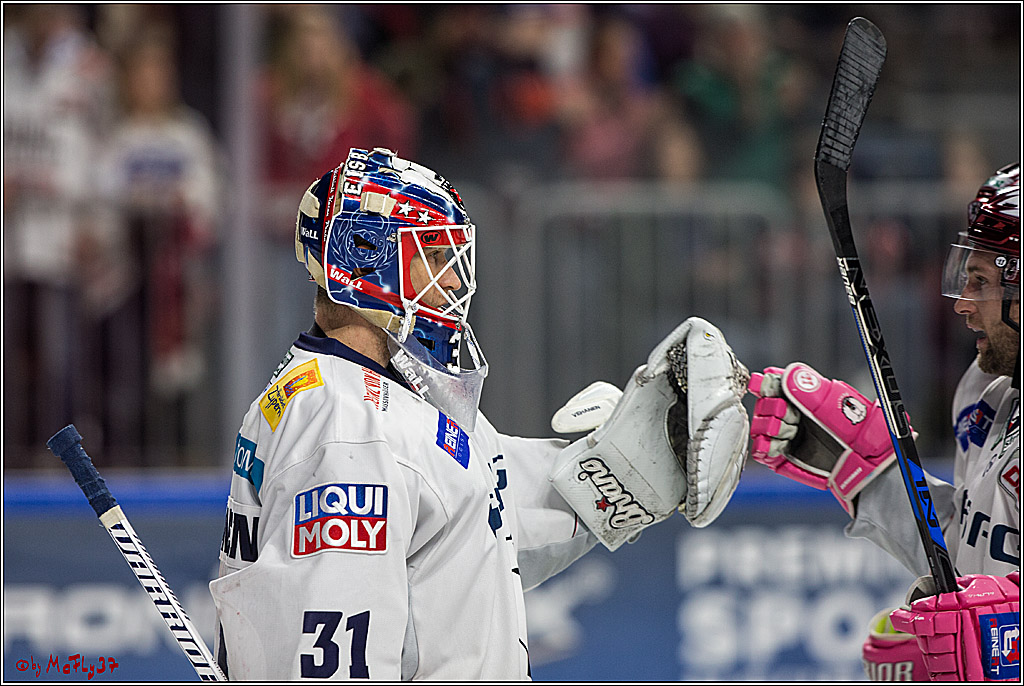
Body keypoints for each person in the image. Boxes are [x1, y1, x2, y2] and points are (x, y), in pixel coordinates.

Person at [209, 147, 750, 679]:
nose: (453, 282)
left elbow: (481, 525)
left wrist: (629, 466)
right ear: (363, 258)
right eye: (434, 256)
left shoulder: (383, 398)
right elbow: (330, 660)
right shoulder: (350, 429)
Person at [747, 163, 1020, 681]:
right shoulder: (983, 396)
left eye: (981, 282)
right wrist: (872, 473)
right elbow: (974, 550)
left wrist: (1005, 642)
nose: (962, 304)